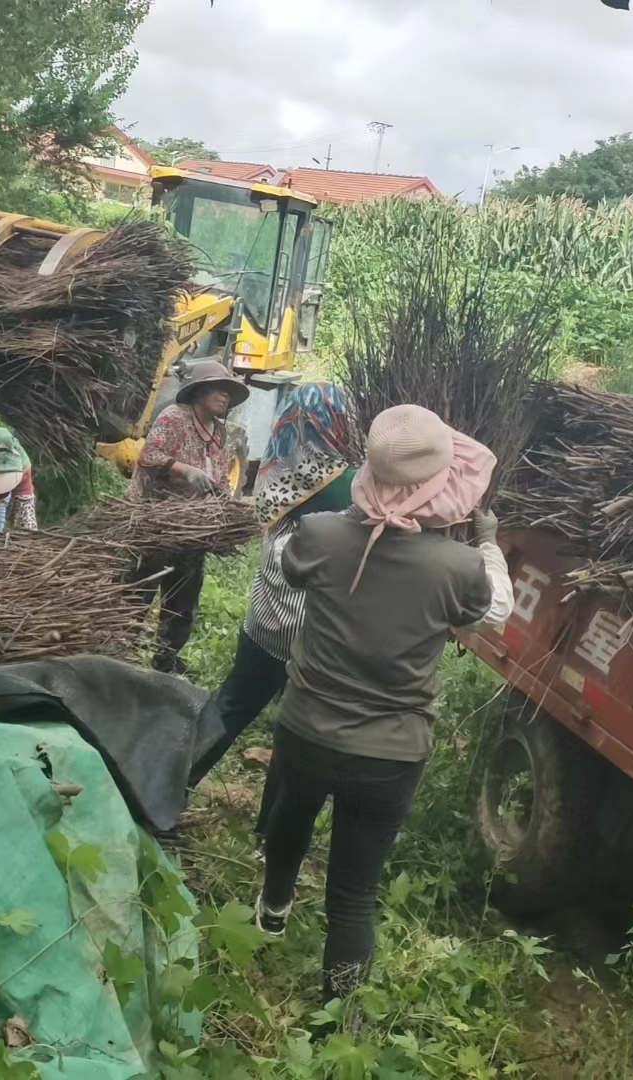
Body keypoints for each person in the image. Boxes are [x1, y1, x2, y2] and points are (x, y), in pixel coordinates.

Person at [255, 404, 514, 1006]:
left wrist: (353, 514)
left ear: (367, 470)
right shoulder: (459, 566)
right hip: (391, 754)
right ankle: (336, 1012)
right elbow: (495, 610)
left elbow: (288, 569)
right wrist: (489, 544)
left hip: (306, 731)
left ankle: (272, 910)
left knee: (291, 817)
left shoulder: (319, 534)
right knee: (353, 889)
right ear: (443, 485)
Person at [190, 381, 361, 788]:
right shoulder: (351, 482)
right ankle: (274, 822)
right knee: (300, 730)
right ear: (340, 419)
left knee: (231, 705)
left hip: (268, 611)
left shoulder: (278, 461)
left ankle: (174, 781)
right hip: (314, 628)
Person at [130, 359, 248, 674]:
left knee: (182, 602)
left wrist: (225, 509)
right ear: (199, 391)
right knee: (137, 594)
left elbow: (220, 479)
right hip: (156, 525)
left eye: (229, 392)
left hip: (192, 532)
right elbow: (148, 456)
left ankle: (165, 659)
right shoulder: (174, 418)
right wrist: (185, 470)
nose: (225, 396)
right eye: (218, 389)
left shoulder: (220, 433)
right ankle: (119, 656)